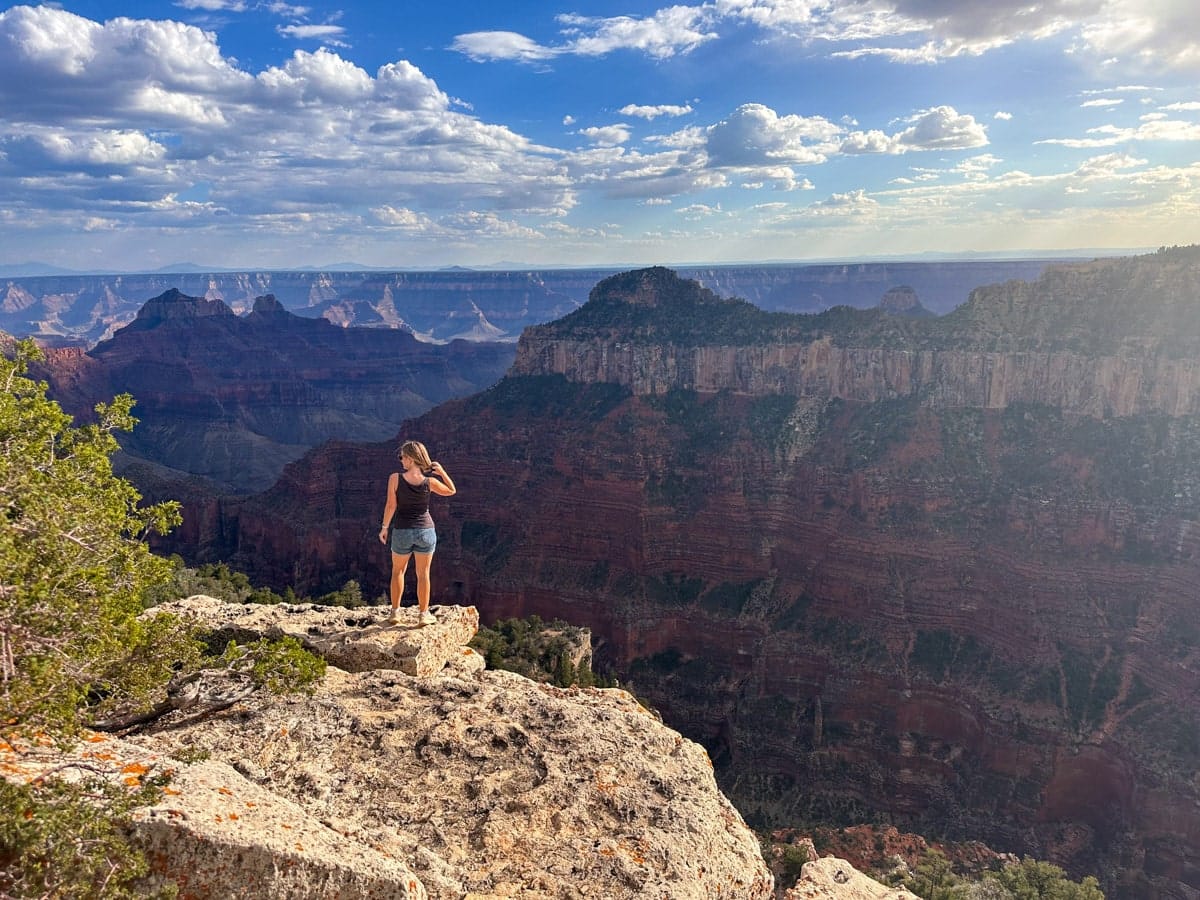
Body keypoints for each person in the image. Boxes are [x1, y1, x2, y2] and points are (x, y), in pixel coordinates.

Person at [378, 440, 456, 626]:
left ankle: (395, 613)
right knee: (423, 574)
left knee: (398, 571)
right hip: (426, 532)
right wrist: (442, 472)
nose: (401, 461)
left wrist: (384, 528)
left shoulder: (395, 478)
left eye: (403, 457)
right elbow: (451, 491)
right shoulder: (430, 482)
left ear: (411, 459)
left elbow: (391, 505)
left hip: (402, 531)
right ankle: (423, 615)